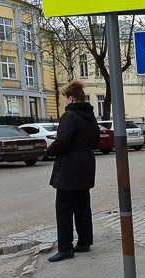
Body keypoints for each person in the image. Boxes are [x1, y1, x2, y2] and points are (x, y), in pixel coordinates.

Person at [46, 80, 100, 262]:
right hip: (86, 162)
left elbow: (62, 141)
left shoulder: (69, 116)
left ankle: (66, 248)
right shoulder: (91, 116)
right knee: (83, 205)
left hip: (69, 166)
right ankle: (84, 242)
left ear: (70, 99)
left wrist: (48, 151)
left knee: (64, 208)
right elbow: (96, 142)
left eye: (65, 99)